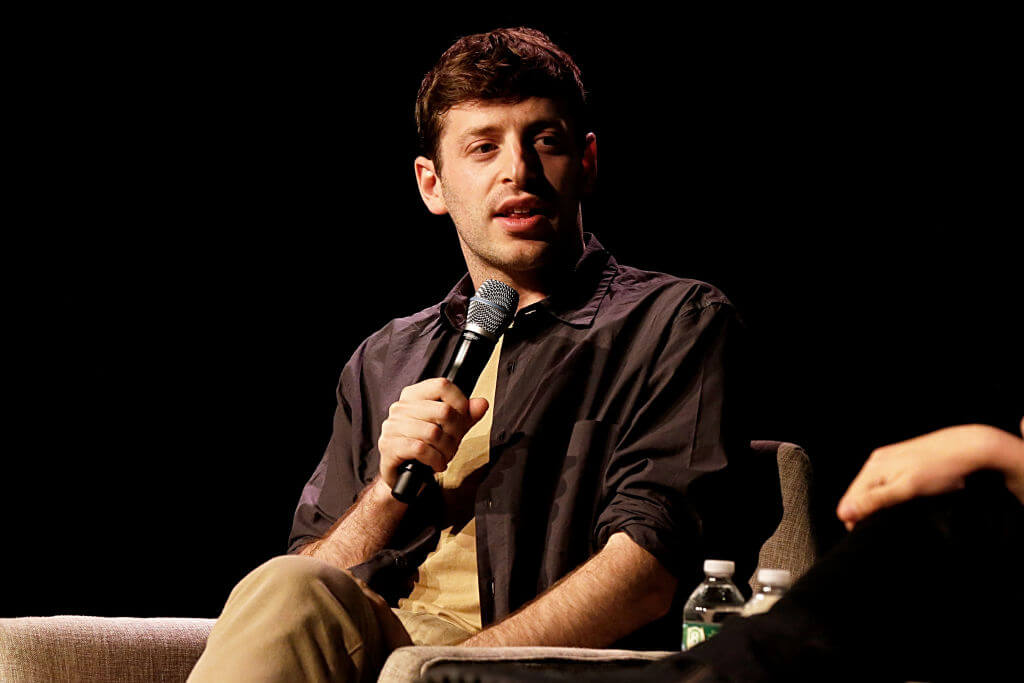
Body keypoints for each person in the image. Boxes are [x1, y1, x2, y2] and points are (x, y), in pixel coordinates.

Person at [187, 27, 778, 683]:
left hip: (512, 661)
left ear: (586, 163)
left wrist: (444, 669)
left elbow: (645, 571)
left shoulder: (673, 322)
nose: (518, 171)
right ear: (432, 186)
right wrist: (386, 490)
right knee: (290, 585)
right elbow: (304, 581)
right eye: (484, 147)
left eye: (544, 141)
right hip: (372, 641)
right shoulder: (385, 357)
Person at [421, 419, 1024, 682]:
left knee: (954, 512)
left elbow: (649, 552)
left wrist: (989, 450)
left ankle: (714, 673)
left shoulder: (676, 314)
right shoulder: (394, 352)